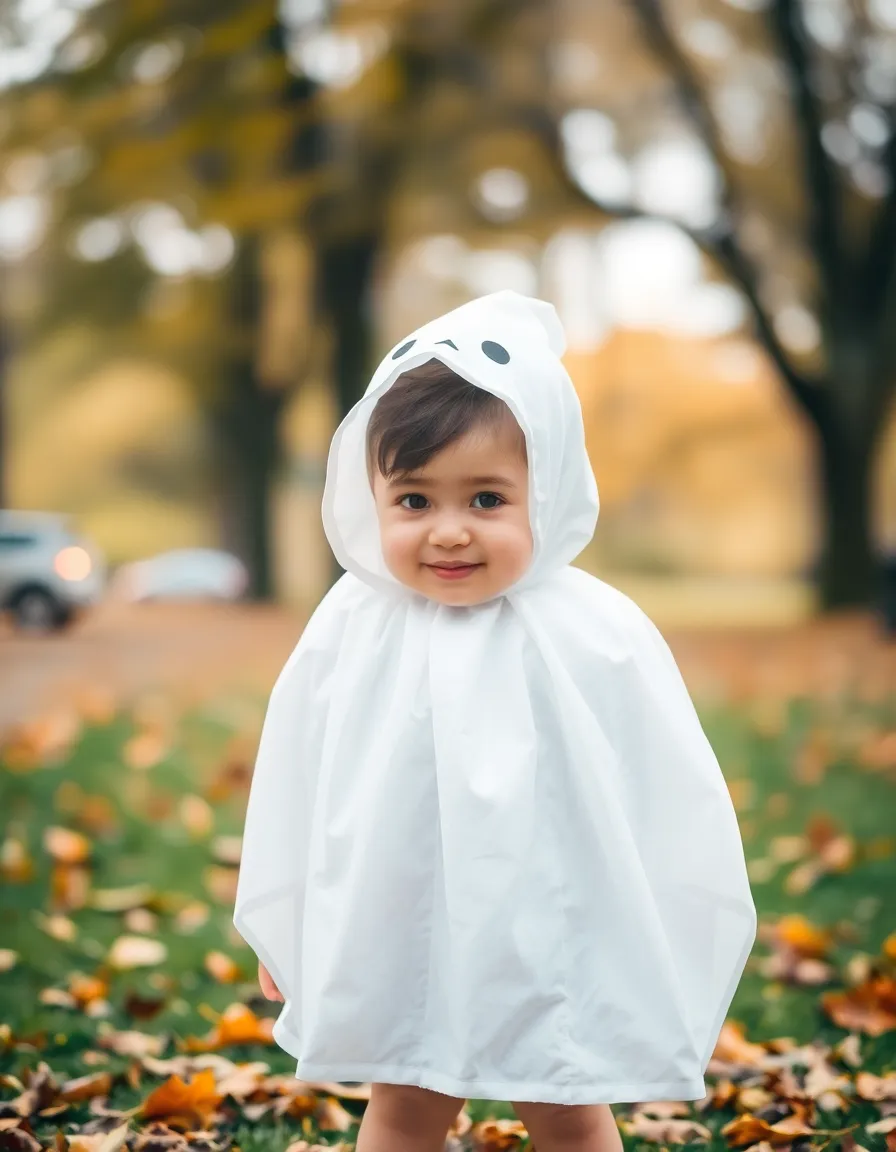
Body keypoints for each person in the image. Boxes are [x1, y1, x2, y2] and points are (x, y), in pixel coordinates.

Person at [233, 290, 757, 1152]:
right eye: (414, 501)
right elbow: (302, 773)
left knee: (565, 1102)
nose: (448, 533)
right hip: (399, 921)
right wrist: (293, 923)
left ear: (544, 492)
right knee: (402, 1100)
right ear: (372, 495)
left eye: (485, 500)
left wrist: (652, 917)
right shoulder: (354, 626)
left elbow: (661, 784)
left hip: (547, 927)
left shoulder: (593, 632)